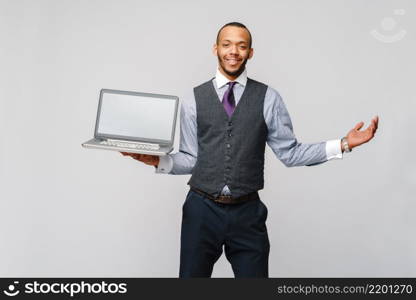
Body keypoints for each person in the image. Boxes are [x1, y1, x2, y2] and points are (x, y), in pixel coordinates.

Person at [120, 22, 379, 278]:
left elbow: (290, 153)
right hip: (201, 210)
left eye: (241, 46)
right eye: (227, 44)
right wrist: (154, 160)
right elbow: (190, 159)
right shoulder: (192, 99)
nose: (234, 51)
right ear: (216, 49)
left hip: (247, 212)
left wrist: (344, 144)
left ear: (250, 53)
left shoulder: (269, 98)